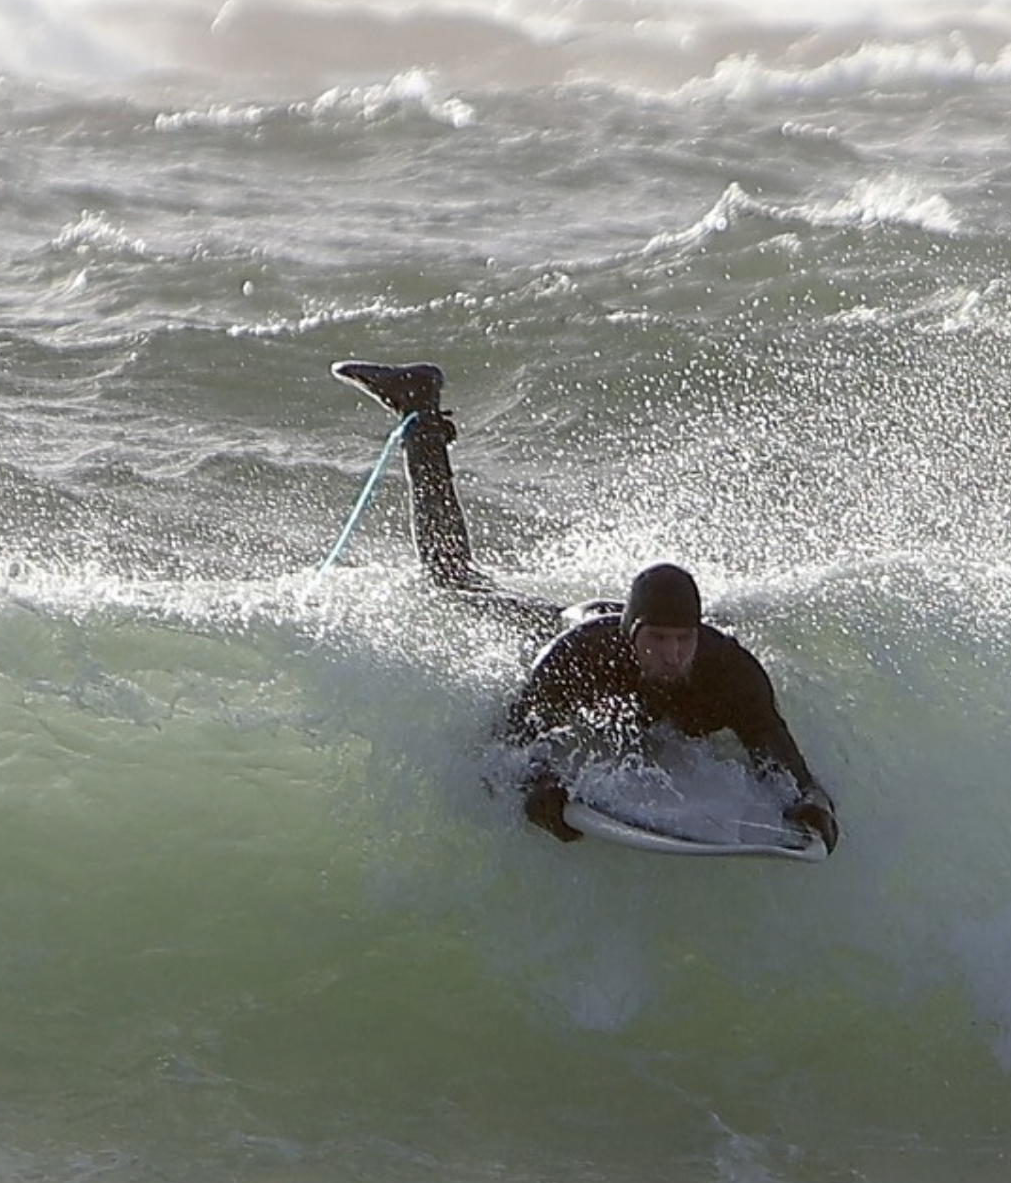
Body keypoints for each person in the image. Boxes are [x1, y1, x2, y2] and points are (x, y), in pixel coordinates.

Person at [330, 359, 840, 852]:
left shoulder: (726, 668)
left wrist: (811, 801)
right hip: (572, 620)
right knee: (455, 580)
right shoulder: (580, 656)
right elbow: (509, 745)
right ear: (632, 635)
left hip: (644, 634)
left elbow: (775, 748)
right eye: (658, 640)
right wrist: (536, 788)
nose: (671, 654)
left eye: (682, 639)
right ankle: (419, 408)